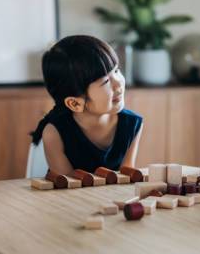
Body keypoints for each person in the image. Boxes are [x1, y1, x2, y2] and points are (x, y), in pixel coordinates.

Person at [30, 35, 143, 175]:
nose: (118, 83)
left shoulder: (132, 124)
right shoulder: (54, 134)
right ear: (75, 103)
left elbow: (126, 178)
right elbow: (66, 187)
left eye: (116, 71)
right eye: (106, 82)